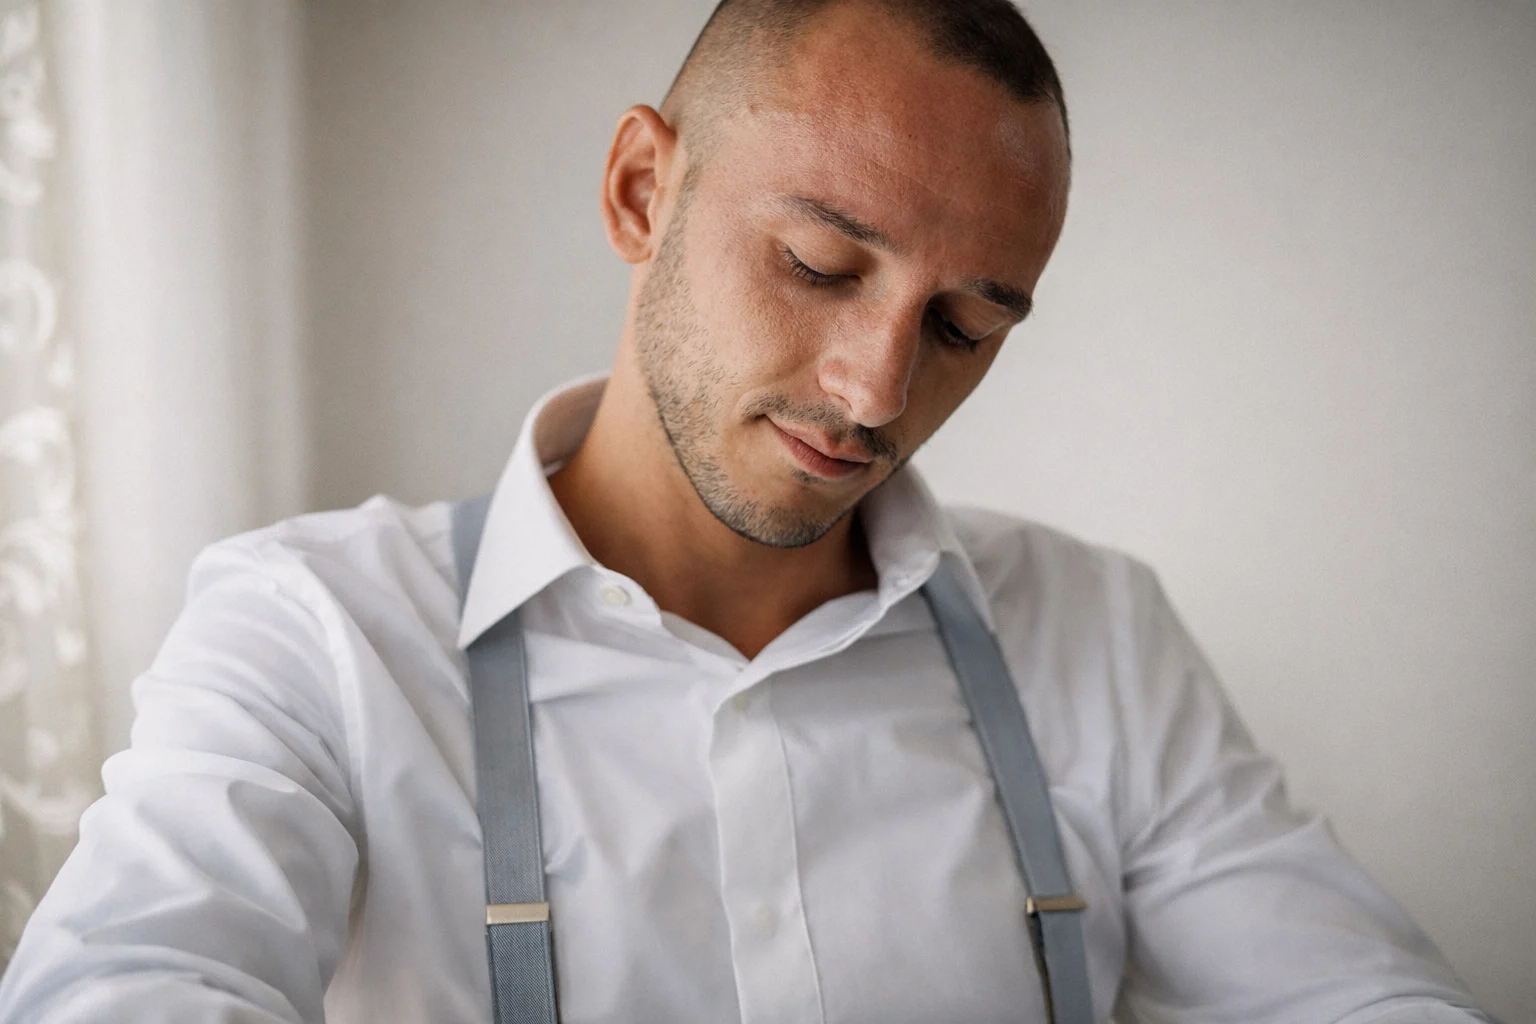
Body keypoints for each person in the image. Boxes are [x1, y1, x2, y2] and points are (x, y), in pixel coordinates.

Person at [0, 1, 1497, 1022]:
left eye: (966, 326)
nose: (873, 389)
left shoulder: (1097, 635)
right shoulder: (312, 632)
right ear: (644, 190)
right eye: (823, 266)